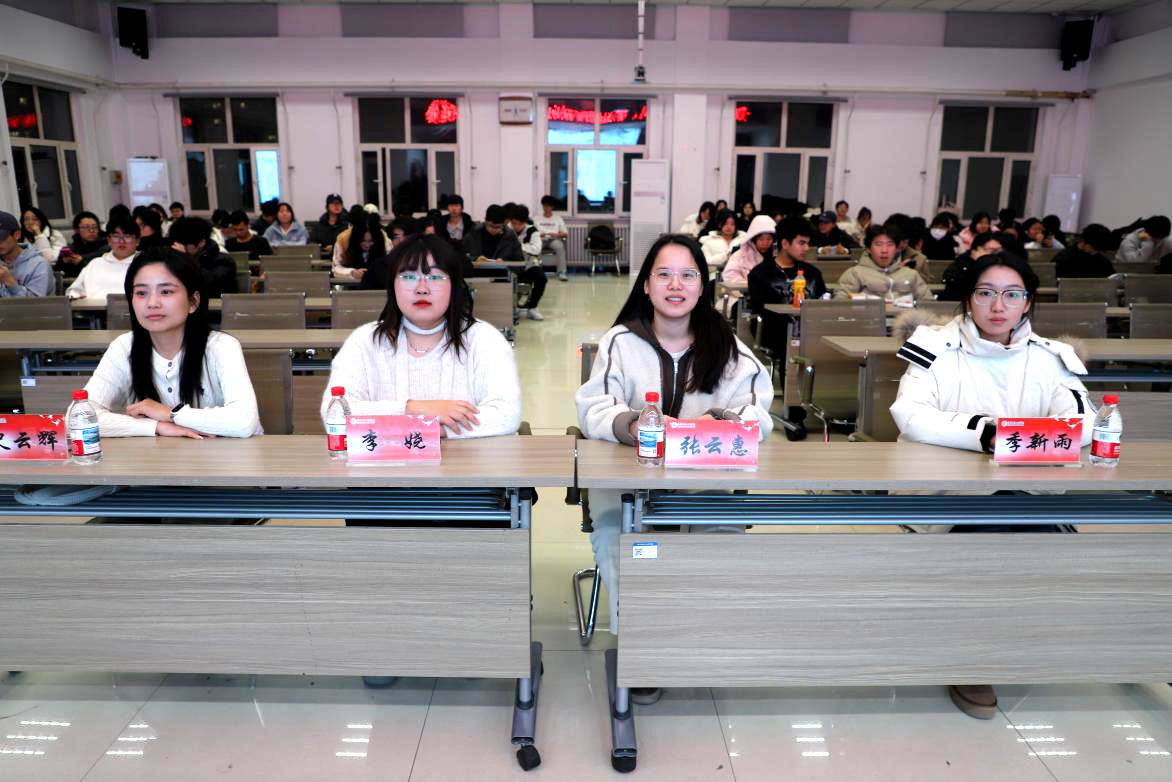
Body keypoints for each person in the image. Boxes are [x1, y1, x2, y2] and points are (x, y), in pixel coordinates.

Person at [889, 251, 1095, 719]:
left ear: (1028, 302)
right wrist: (986, 434)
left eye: (1011, 294)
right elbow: (911, 414)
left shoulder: (1050, 357)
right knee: (992, 525)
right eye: (986, 293)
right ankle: (975, 656)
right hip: (945, 488)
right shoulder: (935, 347)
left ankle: (1006, 636)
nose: (998, 306)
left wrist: (1014, 441)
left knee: (1024, 526)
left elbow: (1082, 422)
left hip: (1027, 486)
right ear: (969, 299)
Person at [575, 234, 773, 682]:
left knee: (716, 547)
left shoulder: (730, 349)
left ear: (703, 286)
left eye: (688, 275)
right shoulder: (620, 342)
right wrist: (635, 425)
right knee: (626, 544)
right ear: (646, 285)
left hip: (705, 486)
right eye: (663, 274)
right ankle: (640, 651)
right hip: (626, 488)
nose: (676, 285)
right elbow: (593, 408)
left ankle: (697, 640)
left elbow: (758, 415)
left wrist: (714, 422)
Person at [322, 233, 521, 439]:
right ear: (392, 285)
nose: (422, 289)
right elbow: (334, 415)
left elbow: (507, 414)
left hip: (467, 459)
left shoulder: (484, 339)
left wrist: (428, 430)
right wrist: (414, 408)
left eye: (435, 277)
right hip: (387, 460)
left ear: (454, 285)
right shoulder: (364, 341)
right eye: (409, 277)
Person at [84, 248, 261, 438]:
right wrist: (155, 427)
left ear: (193, 301)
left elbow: (244, 422)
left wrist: (171, 413)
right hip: (158, 455)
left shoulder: (221, 346)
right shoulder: (124, 347)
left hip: (228, 455)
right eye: (141, 293)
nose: (152, 303)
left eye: (166, 291)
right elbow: (79, 416)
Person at [835, 225, 932, 304]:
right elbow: (840, 303)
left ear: (897, 249)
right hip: (869, 319)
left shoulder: (911, 274)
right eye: (878, 244)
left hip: (905, 320)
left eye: (890, 244)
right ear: (868, 249)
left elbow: (928, 302)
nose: (884, 250)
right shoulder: (855, 273)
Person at [65, 215, 141, 303]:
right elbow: (73, 291)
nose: (121, 241)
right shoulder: (95, 264)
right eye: (116, 236)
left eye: (127, 236)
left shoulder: (145, 264)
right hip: (95, 310)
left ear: (138, 240)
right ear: (108, 240)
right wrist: (76, 296)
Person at [169, 216, 238, 298]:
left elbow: (213, 287)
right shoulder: (178, 259)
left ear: (201, 242)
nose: (179, 247)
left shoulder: (223, 261)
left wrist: (187, 259)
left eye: (184, 244)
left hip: (214, 304)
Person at [0, 211, 54, 297]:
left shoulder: (39, 265)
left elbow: (35, 303)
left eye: (1, 238)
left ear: (17, 235)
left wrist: (10, 282)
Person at [508, 205, 548, 321]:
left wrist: (519, 246)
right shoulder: (507, 229)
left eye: (519, 224)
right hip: (510, 265)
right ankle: (510, 307)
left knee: (541, 278)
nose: (516, 226)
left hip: (527, 265)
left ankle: (532, 308)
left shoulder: (532, 231)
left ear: (525, 222)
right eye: (514, 223)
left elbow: (536, 249)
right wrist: (526, 247)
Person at [939, 231, 1004, 301]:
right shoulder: (963, 263)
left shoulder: (1002, 262)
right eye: (992, 250)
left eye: (999, 250)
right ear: (977, 250)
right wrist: (981, 262)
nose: (996, 254)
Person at [463, 204, 522, 274]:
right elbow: (460, 256)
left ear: (504, 223)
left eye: (498, 227)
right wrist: (475, 259)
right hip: (475, 274)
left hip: (501, 276)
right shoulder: (474, 232)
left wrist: (505, 264)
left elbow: (520, 264)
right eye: (491, 226)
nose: (493, 230)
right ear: (485, 220)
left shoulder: (510, 236)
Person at [721, 214, 776, 286]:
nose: (765, 243)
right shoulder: (741, 255)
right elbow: (729, 275)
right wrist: (751, 286)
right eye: (761, 239)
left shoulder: (778, 255)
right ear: (753, 239)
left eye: (769, 239)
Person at [337, 213, 386, 283]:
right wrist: (352, 272)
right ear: (356, 238)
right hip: (350, 285)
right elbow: (336, 268)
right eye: (363, 241)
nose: (367, 245)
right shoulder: (343, 239)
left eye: (371, 241)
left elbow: (390, 266)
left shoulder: (384, 240)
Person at [534, 195, 569, 281]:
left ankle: (561, 272)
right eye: (544, 206)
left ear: (552, 207)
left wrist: (557, 235)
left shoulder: (557, 218)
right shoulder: (537, 218)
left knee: (560, 247)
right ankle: (535, 271)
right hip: (541, 239)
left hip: (554, 239)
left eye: (548, 206)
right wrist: (538, 235)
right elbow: (532, 232)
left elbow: (565, 233)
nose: (545, 208)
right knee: (535, 248)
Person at [312, 194, 349, 259]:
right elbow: (311, 243)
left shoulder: (348, 224)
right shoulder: (319, 226)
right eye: (333, 203)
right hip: (322, 258)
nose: (336, 206)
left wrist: (335, 248)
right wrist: (322, 248)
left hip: (342, 259)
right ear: (327, 206)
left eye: (339, 203)